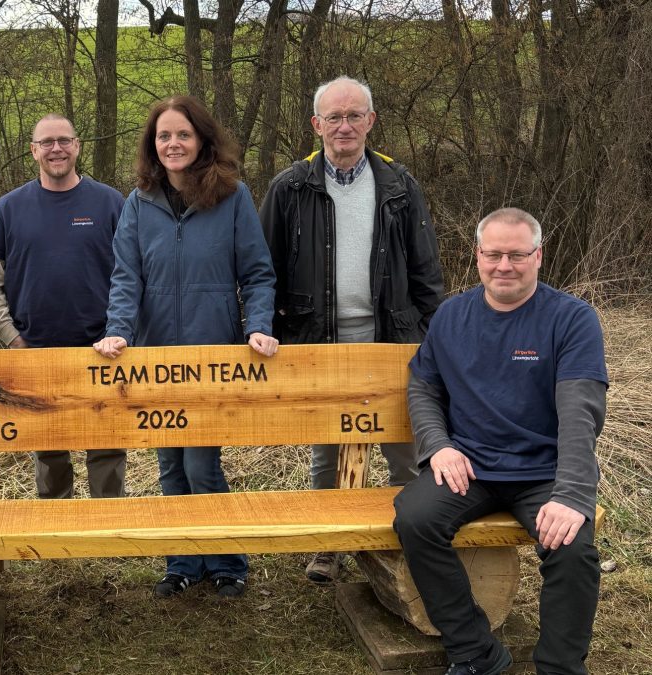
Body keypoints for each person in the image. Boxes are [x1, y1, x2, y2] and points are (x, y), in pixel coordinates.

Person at [393, 208, 607, 675]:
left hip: (543, 473)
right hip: (470, 468)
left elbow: (579, 415)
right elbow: (424, 387)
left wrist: (571, 494)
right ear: (477, 256)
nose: (503, 265)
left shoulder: (571, 319)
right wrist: (438, 446)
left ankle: (560, 666)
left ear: (539, 256)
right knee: (414, 517)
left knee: (572, 549)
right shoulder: (451, 316)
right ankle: (475, 652)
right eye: (493, 254)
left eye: (516, 254)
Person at [258, 75, 444, 584]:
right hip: (320, 341)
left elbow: (426, 270)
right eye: (334, 117)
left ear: (370, 121)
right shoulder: (290, 186)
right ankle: (330, 543)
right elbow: (264, 269)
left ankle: (406, 541)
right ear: (316, 124)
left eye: (354, 115)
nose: (345, 126)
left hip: (392, 339)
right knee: (329, 448)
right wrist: (265, 327)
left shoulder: (398, 185)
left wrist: (433, 337)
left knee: (404, 446)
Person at [93, 95, 278, 599]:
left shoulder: (233, 197)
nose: (173, 143)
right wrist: (119, 330)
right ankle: (181, 562)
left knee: (201, 464)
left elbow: (258, 274)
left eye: (183, 134)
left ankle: (226, 562)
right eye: (163, 136)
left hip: (211, 354)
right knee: (170, 464)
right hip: (155, 357)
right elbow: (127, 277)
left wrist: (256, 325)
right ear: (153, 146)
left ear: (202, 141)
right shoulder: (138, 202)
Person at [0, 114, 127, 499]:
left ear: (77, 146)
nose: (56, 148)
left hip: (101, 348)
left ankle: (107, 521)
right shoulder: (9, 208)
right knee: (48, 442)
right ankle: (55, 515)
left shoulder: (110, 202)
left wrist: (119, 331)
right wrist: (12, 339)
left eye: (64, 140)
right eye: (47, 142)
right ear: (34, 150)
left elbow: (132, 272)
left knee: (106, 439)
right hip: (35, 348)